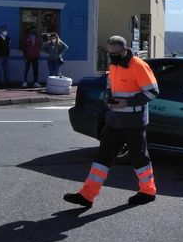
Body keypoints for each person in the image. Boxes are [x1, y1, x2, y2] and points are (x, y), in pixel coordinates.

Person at [64, 36, 160, 208]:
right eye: (110, 53)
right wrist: (109, 98)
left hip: (134, 123)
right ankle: (87, 195)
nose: (112, 56)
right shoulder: (114, 65)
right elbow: (110, 85)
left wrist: (127, 102)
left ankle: (148, 192)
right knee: (102, 158)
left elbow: (153, 91)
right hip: (114, 120)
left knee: (139, 158)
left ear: (124, 50)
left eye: (115, 53)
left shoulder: (138, 65)